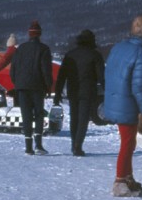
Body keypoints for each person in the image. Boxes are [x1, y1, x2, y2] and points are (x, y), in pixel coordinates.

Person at [104, 14, 142, 197]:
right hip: (129, 104)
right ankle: (120, 181)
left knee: (128, 142)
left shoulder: (119, 47)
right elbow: (140, 87)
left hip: (116, 100)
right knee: (127, 143)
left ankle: (128, 177)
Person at [54, 29, 105, 156]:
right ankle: (78, 145)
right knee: (83, 119)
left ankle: (74, 144)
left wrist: (58, 93)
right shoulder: (95, 55)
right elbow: (101, 77)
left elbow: (62, 76)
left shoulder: (70, 55)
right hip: (88, 91)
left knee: (74, 118)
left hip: (73, 90)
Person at [9, 20, 53, 155]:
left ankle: (28, 147)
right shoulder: (44, 49)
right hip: (37, 87)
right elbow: (46, 70)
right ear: (39, 34)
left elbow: (13, 70)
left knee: (26, 115)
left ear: (29, 34)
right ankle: (38, 144)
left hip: (22, 87)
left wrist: (17, 84)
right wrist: (48, 86)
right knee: (39, 114)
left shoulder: (20, 49)